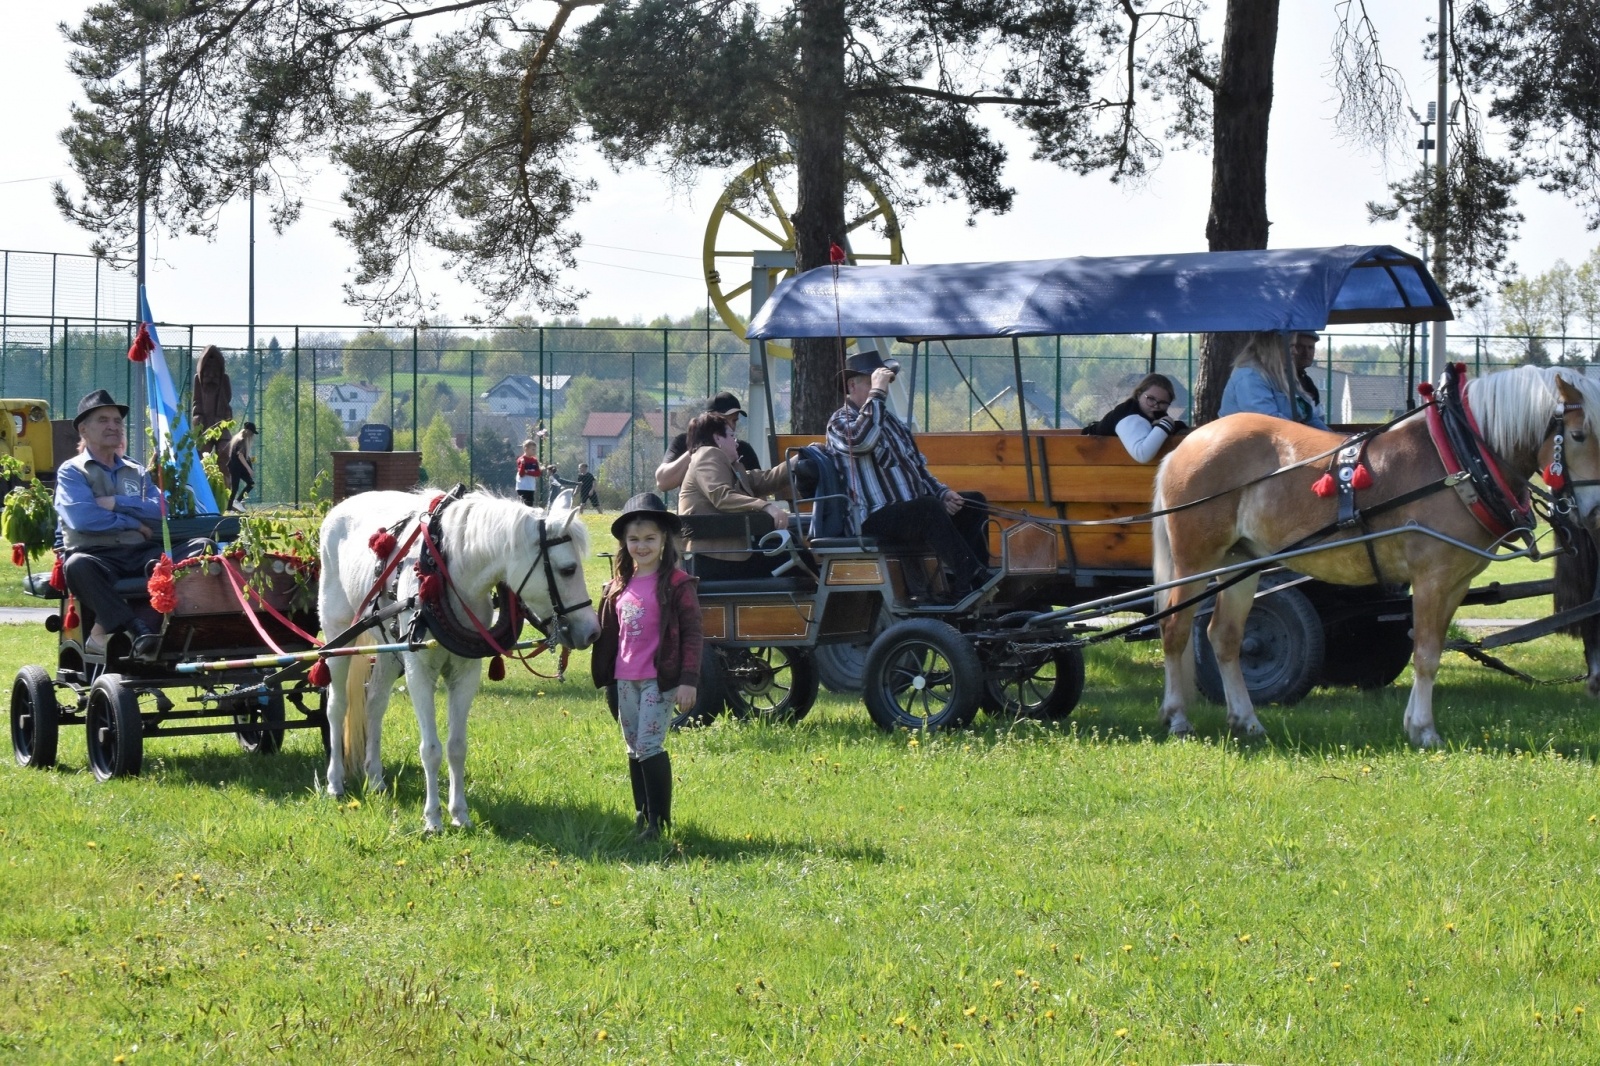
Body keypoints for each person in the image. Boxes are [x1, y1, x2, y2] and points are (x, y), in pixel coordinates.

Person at [826, 351, 990, 601]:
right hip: (872, 516)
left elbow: (917, 467)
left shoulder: (891, 423)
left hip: (909, 511)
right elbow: (861, 442)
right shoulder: (839, 422)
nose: (882, 387)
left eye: (883, 382)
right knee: (926, 508)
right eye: (873, 380)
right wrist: (876, 396)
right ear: (852, 385)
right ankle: (975, 576)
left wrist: (942, 493)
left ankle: (963, 584)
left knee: (972, 502)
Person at [590, 493, 702, 842]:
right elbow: (606, 634)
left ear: (664, 539)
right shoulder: (617, 587)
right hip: (625, 680)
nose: (642, 546)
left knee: (650, 746)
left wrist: (688, 681)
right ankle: (641, 814)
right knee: (633, 747)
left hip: (660, 679)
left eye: (650, 539)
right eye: (634, 539)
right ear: (624, 542)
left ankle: (658, 824)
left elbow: (693, 635)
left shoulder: (677, 585)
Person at [54, 389, 170, 659]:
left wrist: (117, 502)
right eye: (103, 420)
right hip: (97, 556)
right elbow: (84, 519)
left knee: (198, 551)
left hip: (139, 552)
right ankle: (137, 629)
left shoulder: (137, 471)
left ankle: (112, 628)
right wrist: (134, 521)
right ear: (84, 429)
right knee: (77, 566)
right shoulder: (72, 471)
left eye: (117, 421)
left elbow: (161, 511)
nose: (113, 426)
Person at [676, 411, 795, 580]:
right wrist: (767, 506)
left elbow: (762, 480)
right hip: (715, 559)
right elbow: (721, 496)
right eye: (732, 436)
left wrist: (795, 462)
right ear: (717, 438)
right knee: (795, 557)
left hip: (726, 556)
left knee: (792, 550)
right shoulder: (708, 454)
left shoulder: (729, 466)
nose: (736, 443)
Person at [1219, 331, 1330, 430]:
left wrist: (1332, 439)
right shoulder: (1250, 376)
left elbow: (1307, 414)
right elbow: (1268, 422)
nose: (1295, 352)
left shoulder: (1280, 373)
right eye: (1291, 346)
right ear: (1274, 347)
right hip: (1249, 449)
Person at [655, 391, 761, 492]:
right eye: (723, 420)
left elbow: (759, 491)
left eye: (734, 420)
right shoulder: (684, 442)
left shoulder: (743, 449)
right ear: (707, 419)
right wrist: (697, 450)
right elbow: (662, 482)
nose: (730, 426)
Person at [1084, 373, 1187, 463]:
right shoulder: (1129, 416)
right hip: (1087, 454)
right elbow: (1142, 454)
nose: (1156, 405)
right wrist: (1166, 423)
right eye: (1151, 399)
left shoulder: (1153, 413)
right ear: (1138, 395)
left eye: (1163, 403)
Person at [190, 344, 233, 456]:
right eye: (207, 373)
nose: (211, 376)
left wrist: (226, 415)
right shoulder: (197, 381)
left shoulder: (224, 381)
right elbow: (197, 402)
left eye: (215, 373)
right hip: (204, 425)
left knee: (225, 450)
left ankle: (225, 473)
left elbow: (228, 400)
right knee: (201, 452)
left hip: (220, 424)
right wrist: (197, 417)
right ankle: (202, 473)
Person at [225, 421, 257, 510]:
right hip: (236, 468)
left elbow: (242, 455)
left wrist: (249, 459)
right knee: (235, 488)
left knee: (251, 484)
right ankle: (230, 508)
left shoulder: (238, 439)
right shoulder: (241, 439)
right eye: (252, 433)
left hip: (238, 467)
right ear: (248, 431)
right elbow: (240, 455)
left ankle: (236, 502)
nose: (252, 435)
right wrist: (249, 469)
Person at [514, 439, 542, 507]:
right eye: (533, 449)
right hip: (522, 487)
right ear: (526, 449)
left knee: (529, 505)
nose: (534, 451)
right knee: (523, 506)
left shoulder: (534, 460)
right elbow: (521, 474)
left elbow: (538, 473)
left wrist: (528, 472)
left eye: (535, 449)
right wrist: (523, 465)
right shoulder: (521, 459)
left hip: (531, 487)